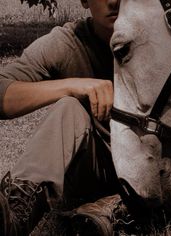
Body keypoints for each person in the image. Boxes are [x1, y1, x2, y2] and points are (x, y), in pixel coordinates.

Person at [0, 0, 123, 235]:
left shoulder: (162, 44)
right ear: (85, 1)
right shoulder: (67, 43)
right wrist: (71, 85)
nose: (114, 1)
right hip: (98, 164)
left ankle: (117, 207)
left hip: (156, 163)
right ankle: (16, 214)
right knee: (69, 107)